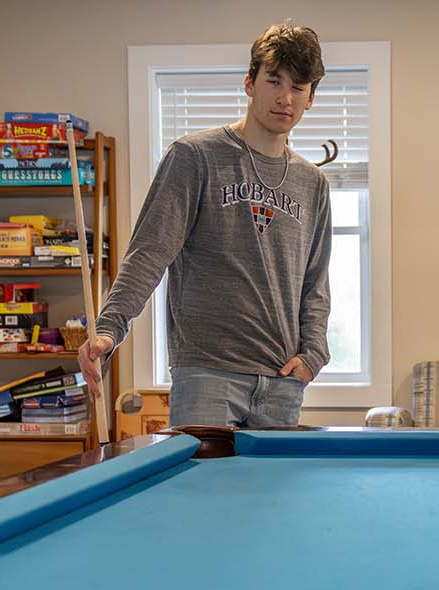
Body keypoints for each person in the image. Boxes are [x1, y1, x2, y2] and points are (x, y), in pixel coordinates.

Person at [79, 23, 333, 428]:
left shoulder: (312, 183)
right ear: (249, 83)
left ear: (311, 98)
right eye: (274, 81)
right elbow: (149, 252)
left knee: (275, 496)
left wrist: (313, 355)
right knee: (205, 493)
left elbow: (315, 284)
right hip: (207, 377)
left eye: (299, 87)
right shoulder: (194, 157)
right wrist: (109, 329)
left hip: (283, 383)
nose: (285, 98)